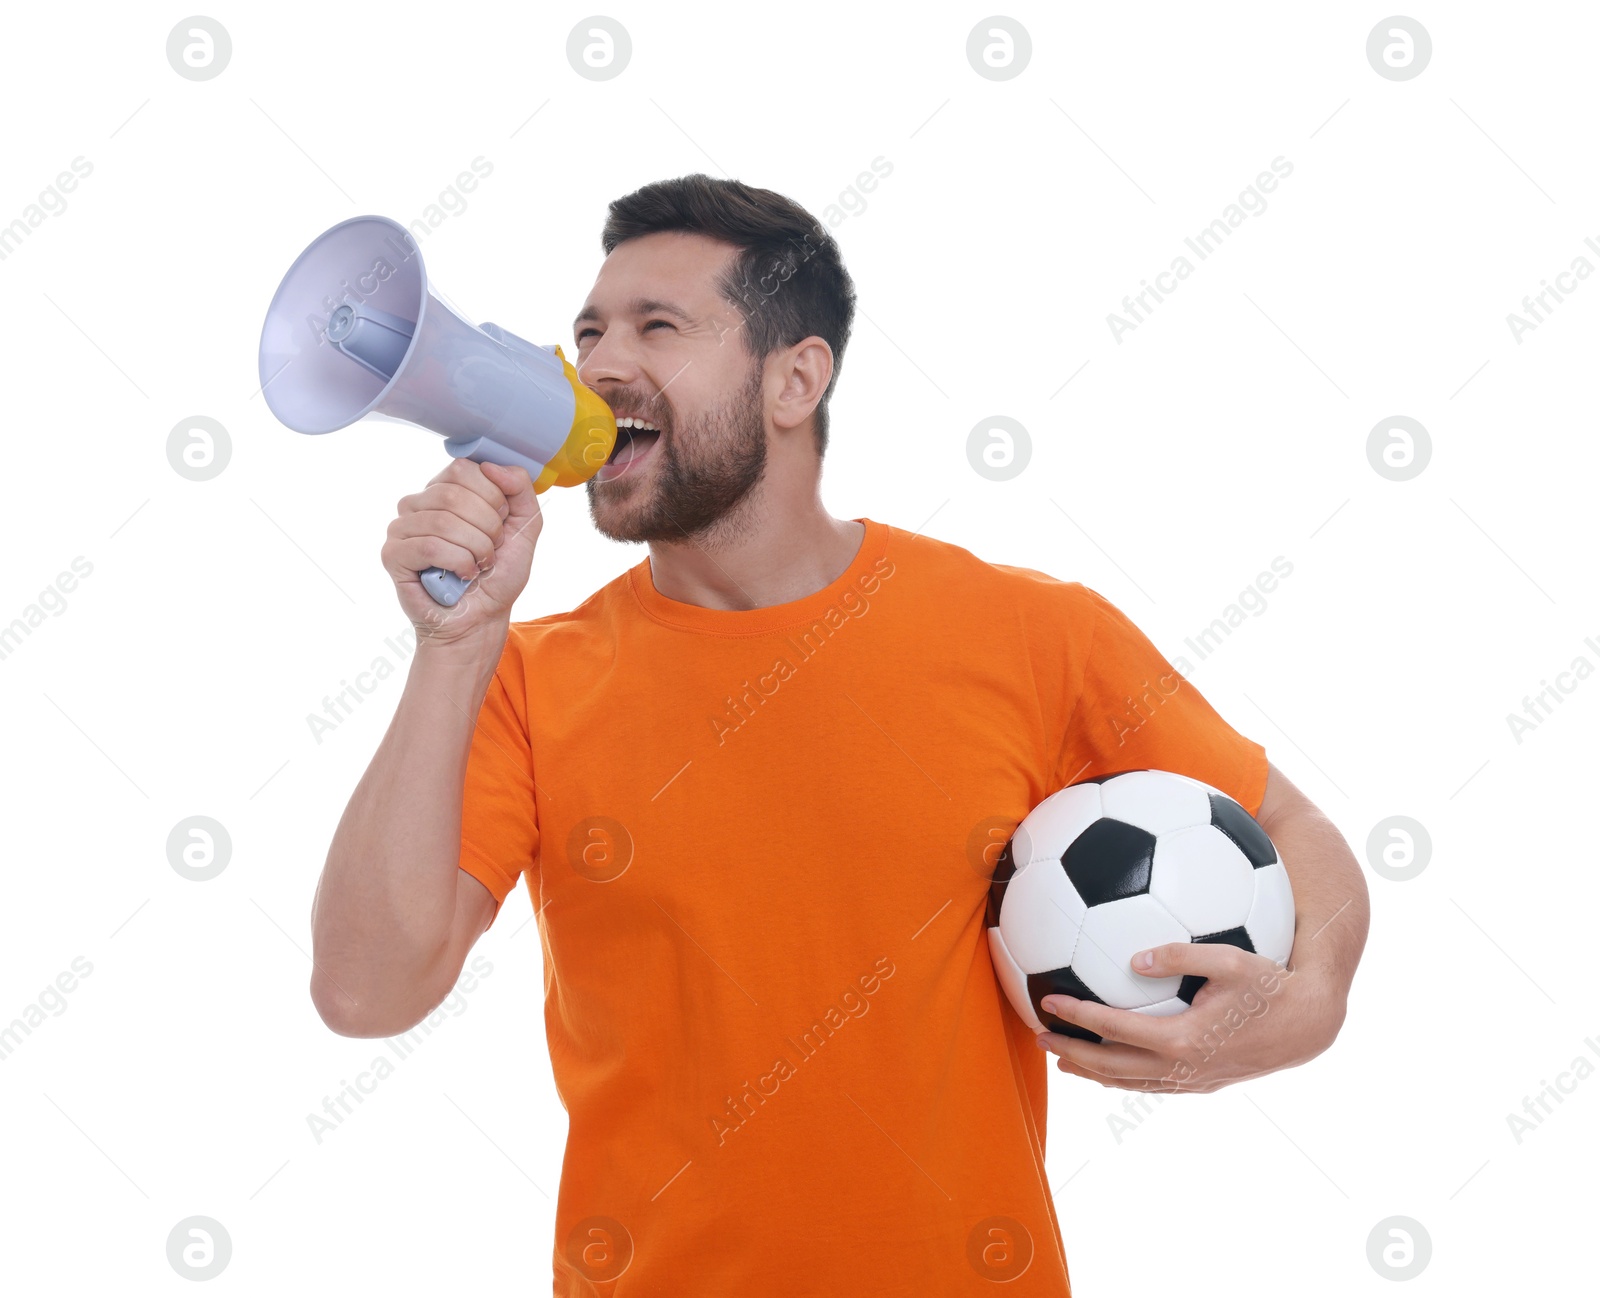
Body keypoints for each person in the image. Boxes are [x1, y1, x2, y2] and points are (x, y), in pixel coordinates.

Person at [309, 174, 1369, 1296]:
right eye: (588, 332)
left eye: (657, 325)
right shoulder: (521, 677)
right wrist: (453, 643)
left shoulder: (1027, 629)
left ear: (794, 377)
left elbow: (1289, 822)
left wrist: (1311, 1001)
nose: (599, 364)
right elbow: (366, 992)